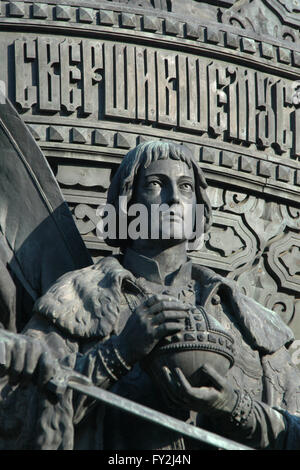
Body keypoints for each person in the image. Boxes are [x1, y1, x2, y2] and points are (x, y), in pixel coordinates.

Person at [0, 140, 300, 450]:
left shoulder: (250, 322)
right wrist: (119, 353)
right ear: (127, 203)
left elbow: (291, 431)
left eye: (185, 188)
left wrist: (233, 407)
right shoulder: (74, 299)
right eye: (156, 184)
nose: (173, 199)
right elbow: (16, 413)